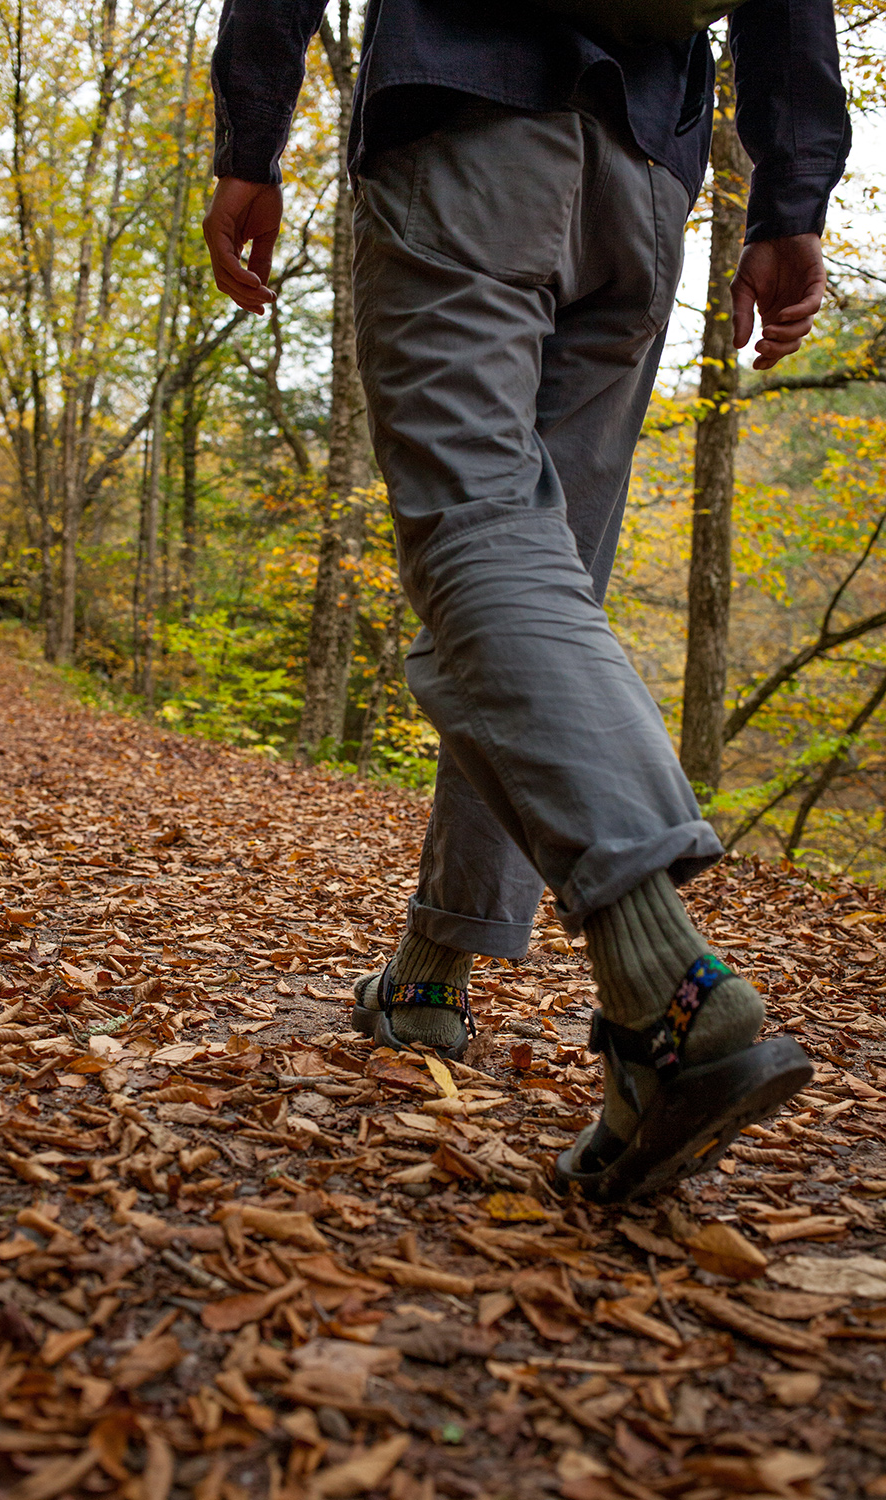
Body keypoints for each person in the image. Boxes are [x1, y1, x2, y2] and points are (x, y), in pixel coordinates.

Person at [203, 0, 850, 1202]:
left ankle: (672, 993)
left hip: (464, 118)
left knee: (481, 549)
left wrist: (251, 140)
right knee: (533, 581)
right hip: (646, 179)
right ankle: (430, 974)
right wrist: (790, 196)